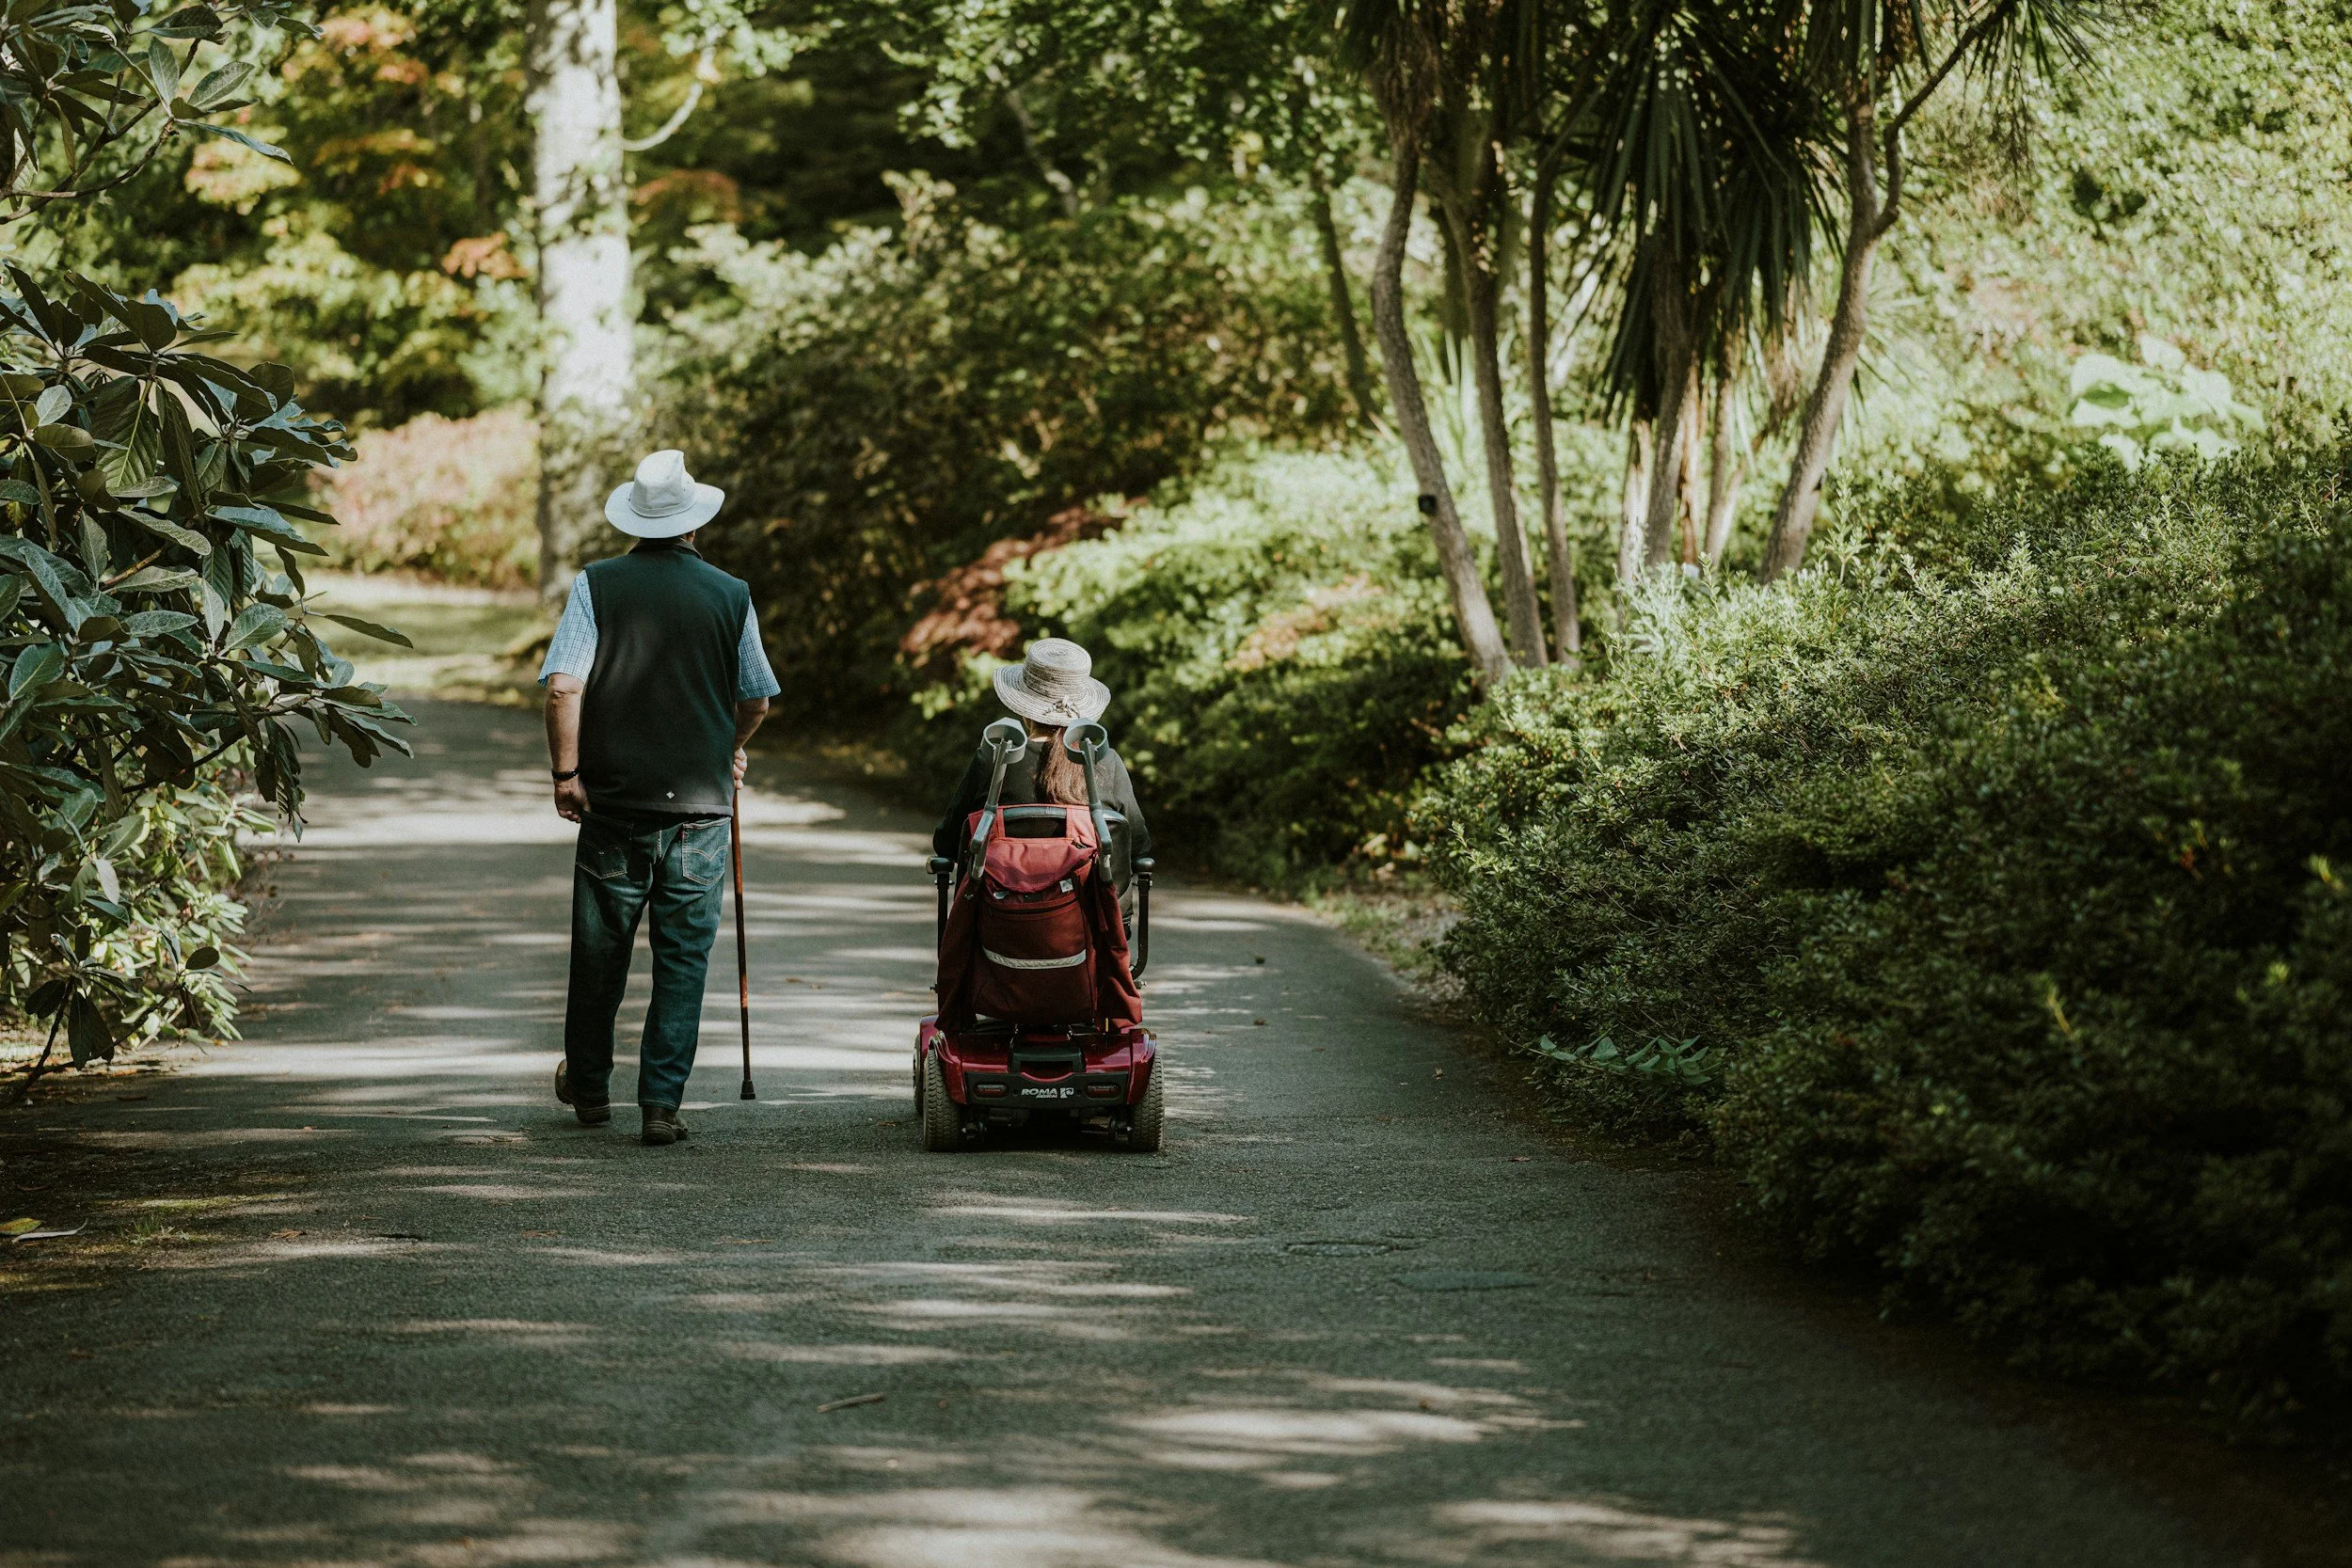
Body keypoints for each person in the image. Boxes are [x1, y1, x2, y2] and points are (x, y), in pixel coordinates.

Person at [540, 450, 780, 1146]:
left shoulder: (597, 585)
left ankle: (588, 1088)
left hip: (613, 806)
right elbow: (757, 698)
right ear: (695, 523)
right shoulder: (731, 593)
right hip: (701, 813)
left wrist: (566, 773)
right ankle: (660, 1104)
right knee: (683, 960)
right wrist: (724, 746)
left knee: (600, 954)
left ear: (636, 522)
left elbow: (562, 685)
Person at [931, 638, 1151, 902]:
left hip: (998, 917)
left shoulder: (992, 760)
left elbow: (947, 843)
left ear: (1024, 709)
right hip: (1089, 920)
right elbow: (1138, 847)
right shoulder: (1106, 762)